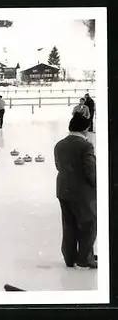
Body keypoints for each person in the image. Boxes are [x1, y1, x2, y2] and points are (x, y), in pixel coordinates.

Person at [54, 112, 97, 269]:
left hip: (63, 189)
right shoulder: (86, 145)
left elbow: (58, 166)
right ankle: (85, 258)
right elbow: (90, 169)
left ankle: (69, 256)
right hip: (82, 191)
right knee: (89, 224)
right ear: (85, 128)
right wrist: (96, 185)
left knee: (69, 224)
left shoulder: (59, 144)